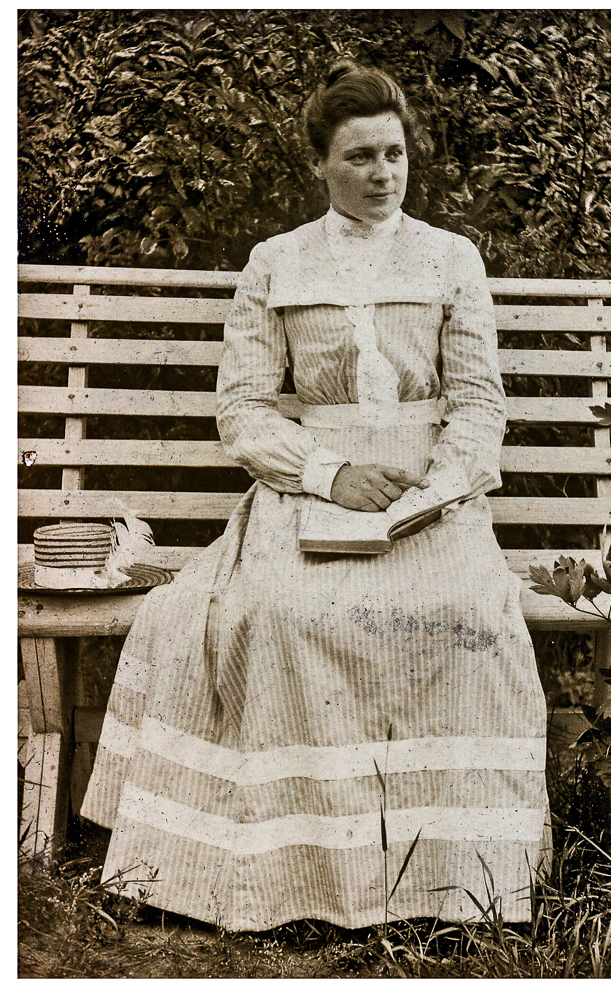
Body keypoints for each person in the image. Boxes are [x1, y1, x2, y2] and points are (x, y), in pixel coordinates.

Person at [82, 60, 550, 931]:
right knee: (279, 615)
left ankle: (458, 885)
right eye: (360, 157)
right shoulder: (277, 262)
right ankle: (299, 882)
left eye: (394, 155)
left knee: (469, 617)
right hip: (308, 492)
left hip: (431, 501)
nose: (382, 174)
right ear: (320, 165)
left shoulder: (451, 257)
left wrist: (436, 490)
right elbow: (243, 408)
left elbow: (480, 404)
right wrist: (332, 476)